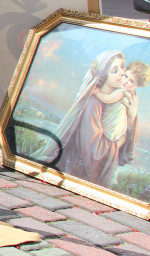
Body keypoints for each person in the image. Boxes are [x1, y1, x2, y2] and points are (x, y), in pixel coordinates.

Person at [53, 50, 128, 186]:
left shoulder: (113, 100)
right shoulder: (94, 103)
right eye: (115, 70)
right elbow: (93, 151)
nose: (122, 73)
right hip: (80, 171)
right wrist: (117, 143)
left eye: (122, 67)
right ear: (104, 75)